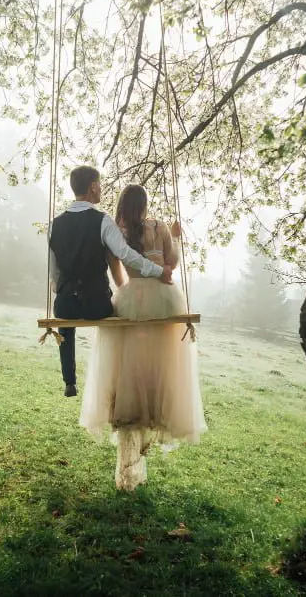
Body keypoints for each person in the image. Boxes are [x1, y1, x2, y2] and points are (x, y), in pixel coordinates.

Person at [79, 184, 206, 491]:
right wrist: (174, 236)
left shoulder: (116, 232)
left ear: (122, 205)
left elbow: (118, 275)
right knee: (162, 362)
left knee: (129, 365)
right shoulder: (160, 226)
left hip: (131, 298)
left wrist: (128, 291)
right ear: (145, 205)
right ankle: (158, 411)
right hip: (165, 298)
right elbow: (171, 263)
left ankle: (130, 416)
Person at [49, 166, 174, 397]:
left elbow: (54, 270)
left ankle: (69, 379)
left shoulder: (55, 224)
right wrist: (157, 270)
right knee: (118, 310)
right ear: (93, 187)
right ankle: (123, 380)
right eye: (100, 185)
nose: (102, 189)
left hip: (66, 303)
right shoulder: (103, 221)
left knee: (64, 318)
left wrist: (63, 288)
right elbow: (126, 254)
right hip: (96, 305)